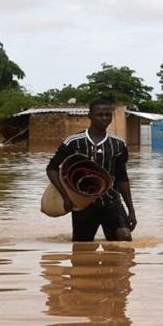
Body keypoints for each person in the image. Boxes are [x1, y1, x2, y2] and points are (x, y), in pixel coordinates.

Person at [46, 98, 137, 242]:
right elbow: (51, 169)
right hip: (83, 204)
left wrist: (131, 210)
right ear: (90, 116)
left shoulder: (118, 144)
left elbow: (122, 177)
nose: (104, 118)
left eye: (108, 115)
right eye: (99, 115)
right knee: (81, 248)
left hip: (111, 201)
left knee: (125, 237)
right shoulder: (73, 142)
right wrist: (66, 197)